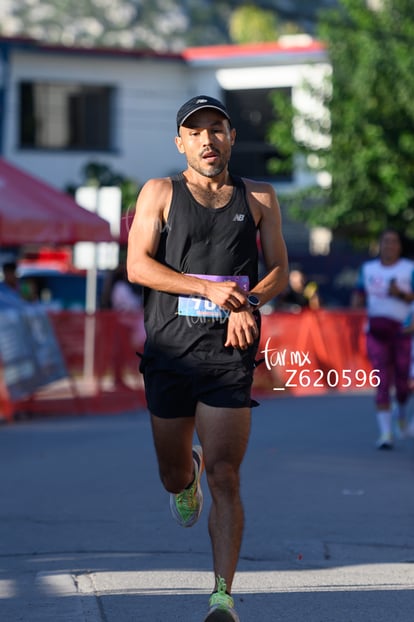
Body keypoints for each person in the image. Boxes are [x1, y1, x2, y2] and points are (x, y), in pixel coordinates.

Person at [127, 94, 289, 621]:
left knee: (227, 475)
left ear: (231, 137)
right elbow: (138, 267)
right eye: (195, 132)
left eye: (216, 129)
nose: (207, 139)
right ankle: (185, 474)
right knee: (175, 475)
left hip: (230, 354)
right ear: (180, 142)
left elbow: (280, 271)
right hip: (170, 350)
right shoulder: (159, 192)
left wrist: (252, 302)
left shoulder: (260, 196)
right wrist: (207, 289)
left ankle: (222, 596)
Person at [352, 229, 414, 449]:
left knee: (403, 384)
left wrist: (400, 294)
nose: (389, 245)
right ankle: (386, 433)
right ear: (380, 245)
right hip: (377, 332)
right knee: (382, 381)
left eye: (393, 242)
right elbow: (359, 295)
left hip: (403, 331)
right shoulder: (368, 269)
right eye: (385, 241)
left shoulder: (409, 269)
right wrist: (356, 305)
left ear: (399, 246)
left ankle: (402, 416)